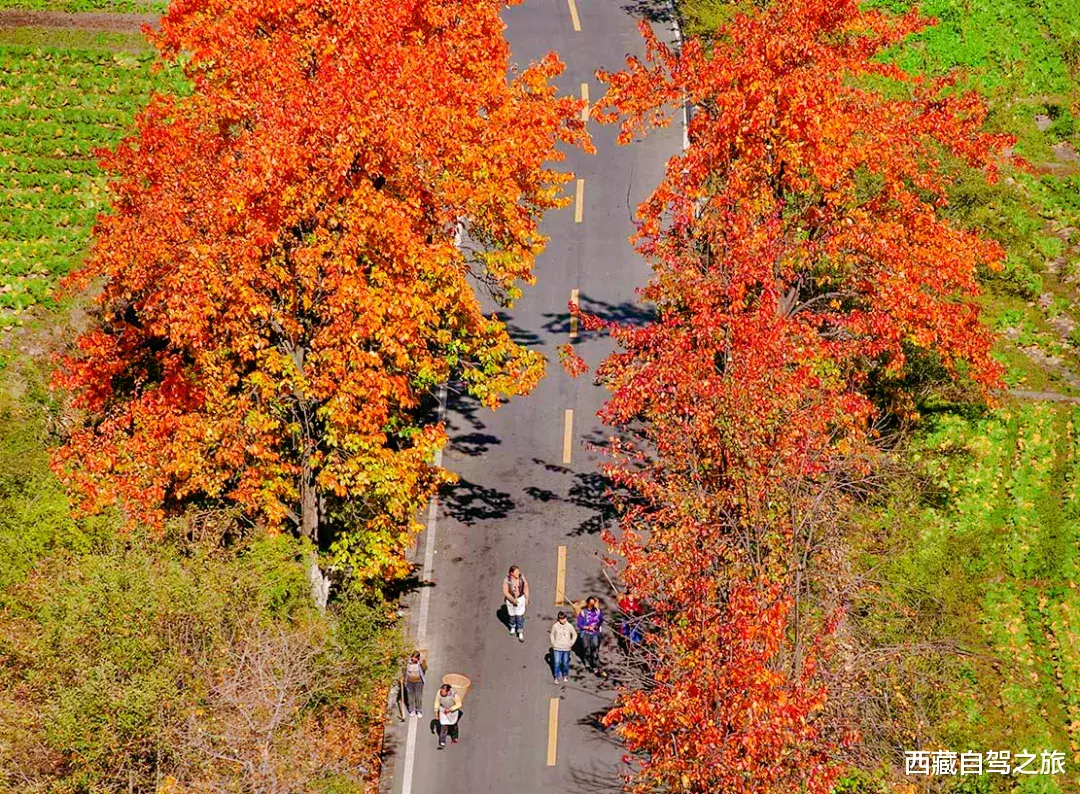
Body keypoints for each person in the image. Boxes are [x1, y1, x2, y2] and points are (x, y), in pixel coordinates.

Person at [576, 596, 605, 674]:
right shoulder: (583, 612)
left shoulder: (598, 611)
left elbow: (601, 619)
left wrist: (597, 625)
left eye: (593, 603)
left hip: (595, 633)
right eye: (590, 604)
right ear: (587, 603)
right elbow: (579, 624)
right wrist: (588, 627)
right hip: (586, 634)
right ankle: (588, 663)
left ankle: (595, 666)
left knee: (595, 649)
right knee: (587, 650)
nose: (592, 605)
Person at [502, 565, 530, 642]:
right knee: (512, 616)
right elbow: (505, 592)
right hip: (510, 601)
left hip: (520, 599)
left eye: (518, 571)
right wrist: (513, 600)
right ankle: (513, 627)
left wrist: (527, 598)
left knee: (519, 616)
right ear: (511, 573)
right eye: (516, 572)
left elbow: (526, 588)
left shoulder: (522, 578)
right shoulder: (507, 580)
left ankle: (520, 632)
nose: (518, 573)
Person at [549, 610, 578, 683]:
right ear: (559, 619)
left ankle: (565, 675)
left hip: (566, 648)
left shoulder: (569, 626)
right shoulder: (555, 626)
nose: (563, 620)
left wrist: (571, 643)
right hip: (557, 648)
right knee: (557, 663)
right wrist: (553, 643)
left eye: (564, 618)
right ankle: (556, 677)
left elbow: (574, 634)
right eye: (561, 619)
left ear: (566, 618)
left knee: (565, 663)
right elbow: (552, 634)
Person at [433, 683, 462, 749]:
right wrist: (436, 712)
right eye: (441, 691)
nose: (442, 693)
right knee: (444, 726)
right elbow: (437, 702)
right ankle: (442, 741)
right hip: (443, 710)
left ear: (448, 691)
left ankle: (455, 737)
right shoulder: (439, 693)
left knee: (454, 725)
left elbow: (459, 704)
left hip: (452, 711)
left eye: (443, 692)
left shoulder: (454, 695)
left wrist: (450, 709)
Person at [402, 650, 427, 718]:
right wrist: (403, 678)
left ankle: (419, 711)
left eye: (415, 658)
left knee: (418, 697)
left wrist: (422, 661)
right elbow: (404, 671)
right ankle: (412, 710)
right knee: (410, 697)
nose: (413, 659)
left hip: (418, 682)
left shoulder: (420, 663)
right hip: (409, 682)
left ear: (418, 658)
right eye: (413, 657)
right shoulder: (407, 663)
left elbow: (425, 668)